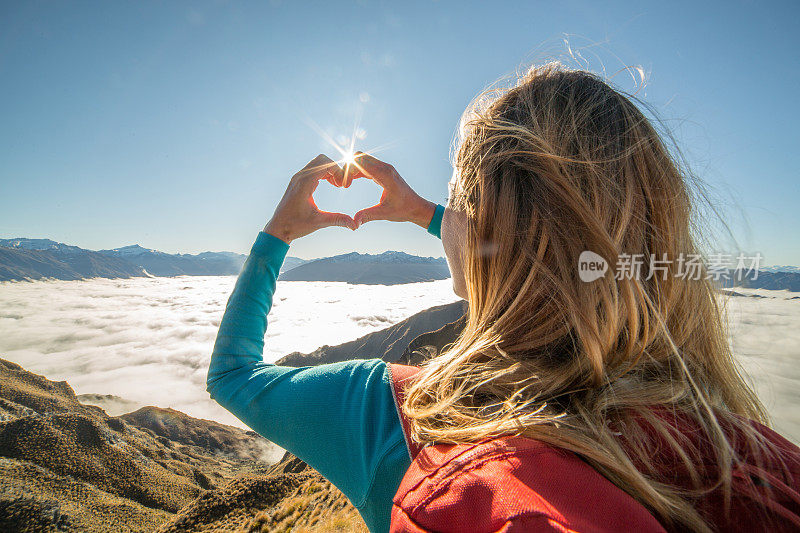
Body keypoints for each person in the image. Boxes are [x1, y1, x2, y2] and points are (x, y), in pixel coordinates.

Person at [206, 62, 800, 532]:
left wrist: (276, 236)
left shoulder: (381, 414)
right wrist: (429, 213)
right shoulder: (744, 461)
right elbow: (551, 258)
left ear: (477, 222)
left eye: (455, 200)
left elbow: (232, 375)